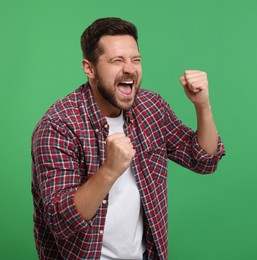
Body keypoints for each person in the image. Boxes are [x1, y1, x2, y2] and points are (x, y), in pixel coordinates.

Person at [31, 17, 225, 260]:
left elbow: (204, 160)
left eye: (136, 60)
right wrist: (109, 171)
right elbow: (61, 222)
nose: (130, 69)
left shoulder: (151, 107)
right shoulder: (58, 126)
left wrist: (202, 105)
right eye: (116, 60)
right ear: (89, 68)